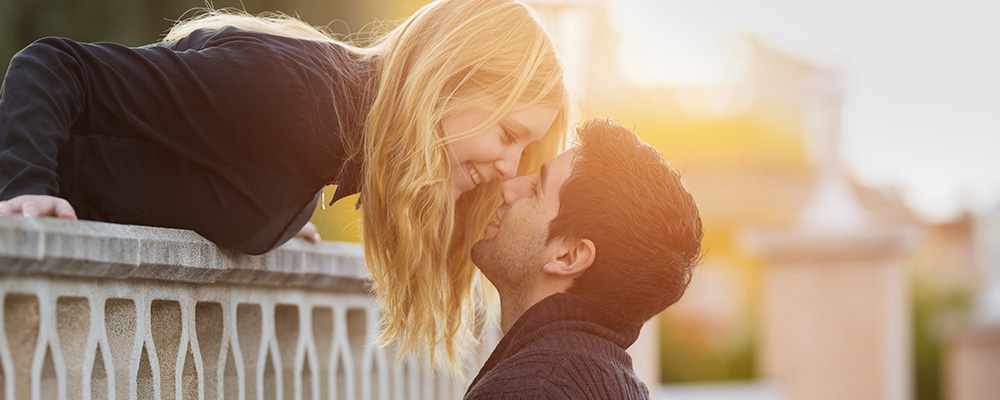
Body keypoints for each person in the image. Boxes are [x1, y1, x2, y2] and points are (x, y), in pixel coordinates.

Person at [0, 0, 569, 368]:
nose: (511, 168)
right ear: (449, 81)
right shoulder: (291, 96)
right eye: (509, 134)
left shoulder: (333, 137)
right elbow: (54, 67)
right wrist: (26, 186)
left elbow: (219, 168)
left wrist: (283, 221)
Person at [465, 118, 704, 399]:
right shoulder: (620, 386)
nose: (508, 188)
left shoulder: (533, 389)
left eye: (534, 190)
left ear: (569, 256)